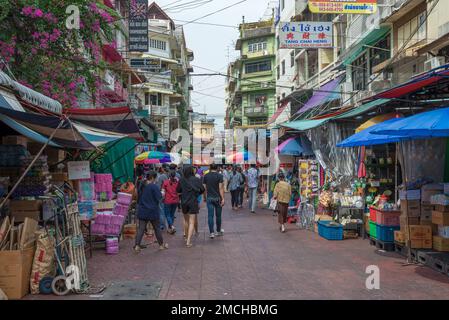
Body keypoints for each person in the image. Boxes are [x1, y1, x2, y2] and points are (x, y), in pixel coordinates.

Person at [134, 171, 169, 253]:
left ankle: (137, 246)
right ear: (153, 178)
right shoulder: (154, 186)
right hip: (152, 210)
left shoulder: (141, 185)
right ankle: (161, 245)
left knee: (141, 229)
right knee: (157, 228)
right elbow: (159, 198)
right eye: (156, 177)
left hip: (142, 209)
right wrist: (163, 193)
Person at [177, 166, 205, 248]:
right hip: (193, 201)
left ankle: (186, 237)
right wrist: (197, 193)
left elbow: (177, 190)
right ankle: (188, 241)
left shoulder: (182, 179)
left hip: (184, 202)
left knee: (186, 220)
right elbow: (202, 189)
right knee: (191, 221)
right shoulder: (196, 179)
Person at [203, 164, 225, 239]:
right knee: (218, 216)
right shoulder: (219, 176)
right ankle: (218, 231)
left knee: (210, 216)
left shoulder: (206, 176)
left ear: (210, 168)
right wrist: (223, 198)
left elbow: (204, 188)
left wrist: (204, 197)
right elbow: (220, 188)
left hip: (209, 198)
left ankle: (211, 232)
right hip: (217, 198)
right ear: (217, 168)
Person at [162, 171, 180, 235]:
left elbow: (163, 192)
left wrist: (161, 198)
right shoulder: (177, 182)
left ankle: (172, 226)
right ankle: (170, 228)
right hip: (175, 201)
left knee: (167, 214)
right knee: (172, 214)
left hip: (168, 200)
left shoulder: (166, 182)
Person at [156, 165, 169, 230]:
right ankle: (168, 224)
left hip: (162, 195)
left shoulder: (161, 177)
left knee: (161, 210)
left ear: (163, 169)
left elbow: (158, 187)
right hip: (168, 195)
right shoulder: (169, 175)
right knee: (165, 210)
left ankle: (161, 225)